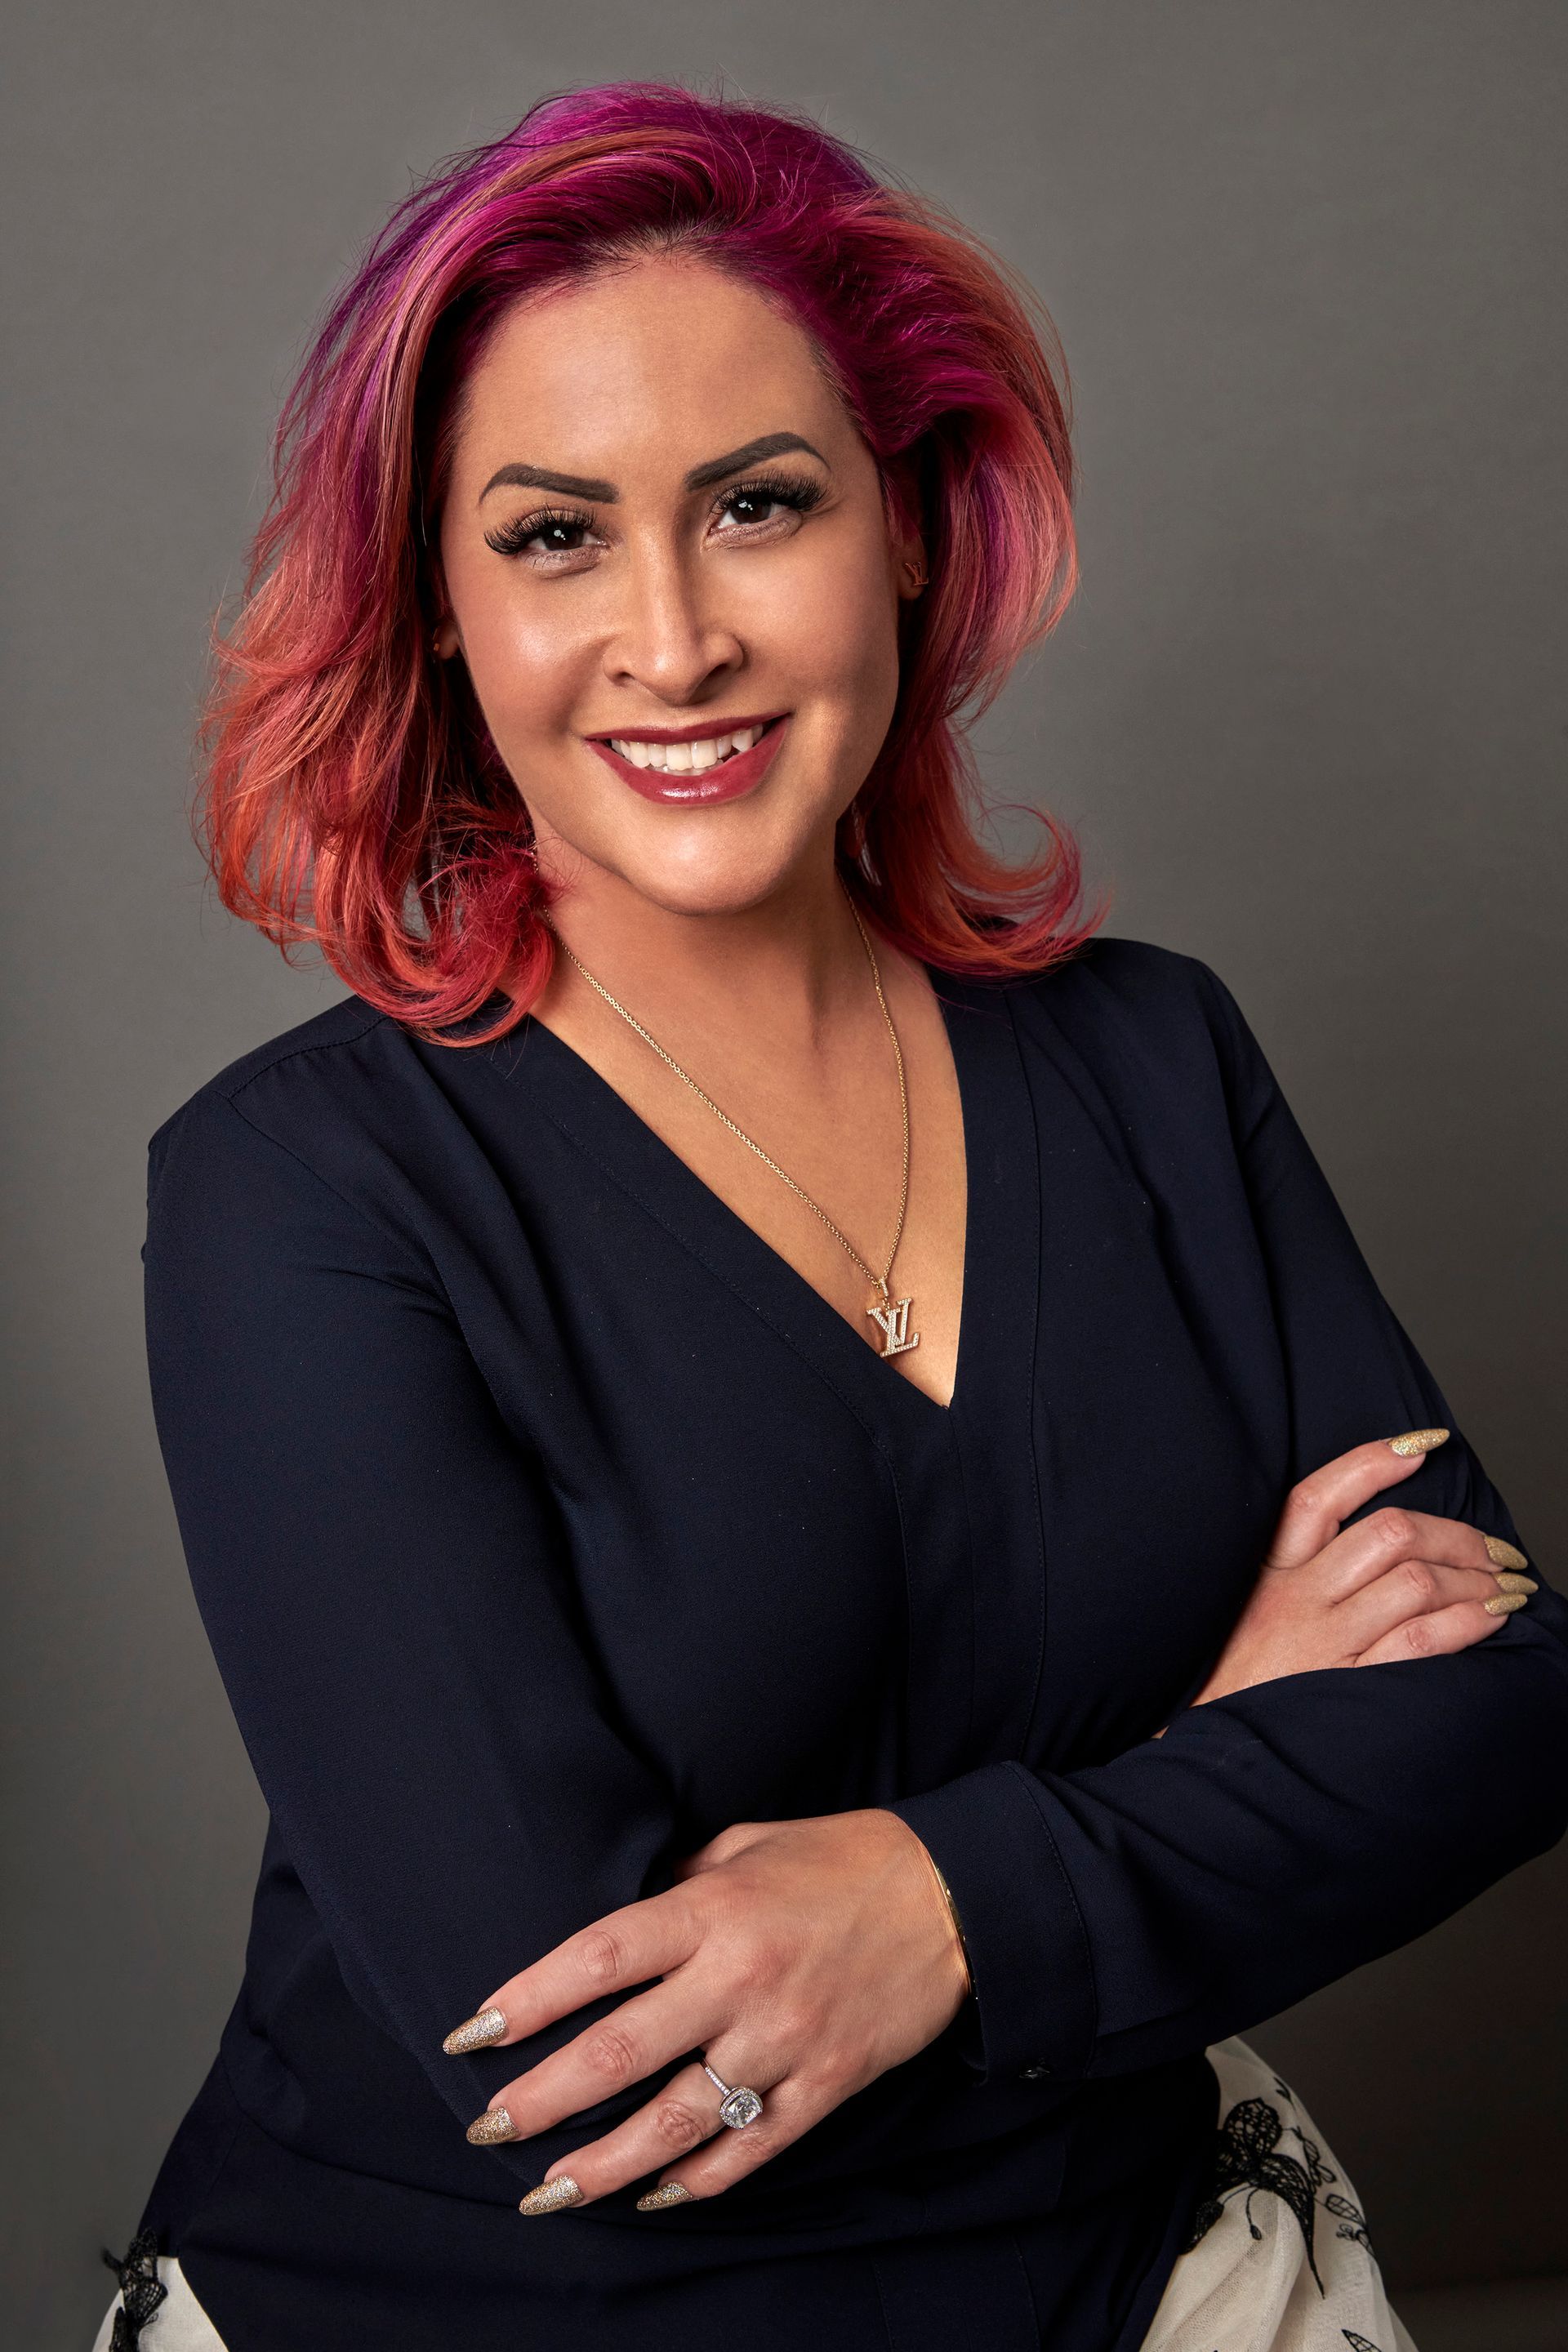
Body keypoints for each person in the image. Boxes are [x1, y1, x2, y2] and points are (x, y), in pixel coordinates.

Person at [95, 80, 1566, 2352]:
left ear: (904, 523)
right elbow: (578, 2052)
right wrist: (1196, 1778)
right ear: (443, 608)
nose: (672, 642)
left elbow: (1494, 1702)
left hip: (1133, 2280)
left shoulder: (1154, 1060)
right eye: (556, 536)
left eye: (754, 505)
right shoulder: (299, 1192)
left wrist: (926, 1910)